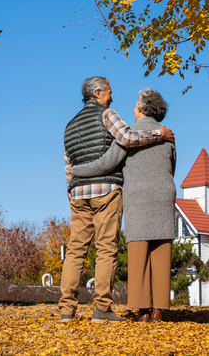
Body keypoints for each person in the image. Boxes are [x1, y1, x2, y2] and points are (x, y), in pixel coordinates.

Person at [60, 77, 174, 324]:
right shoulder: (108, 114)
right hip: (105, 191)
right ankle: (102, 309)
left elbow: (68, 164)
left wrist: (72, 187)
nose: (112, 97)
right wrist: (159, 133)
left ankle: (66, 310)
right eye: (109, 92)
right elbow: (127, 139)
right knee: (106, 249)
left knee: (76, 250)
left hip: (78, 194)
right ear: (98, 93)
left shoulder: (69, 125)